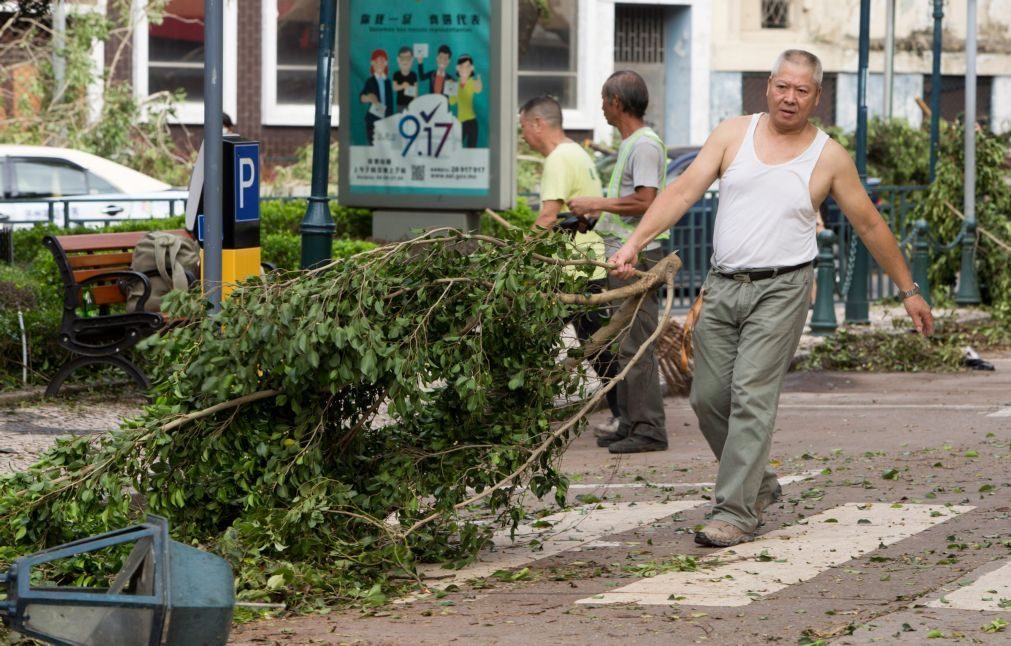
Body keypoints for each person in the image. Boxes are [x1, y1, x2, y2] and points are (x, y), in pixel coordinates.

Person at [609, 50, 934, 547]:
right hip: (722, 286)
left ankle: (735, 512)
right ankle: (758, 484)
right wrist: (635, 242)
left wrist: (909, 290)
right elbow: (680, 192)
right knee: (708, 397)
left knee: (752, 399)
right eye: (783, 86)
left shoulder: (828, 157)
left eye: (802, 90)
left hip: (783, 288)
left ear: (816, 97)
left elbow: (869, 223)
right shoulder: (732, 133)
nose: (790, 97)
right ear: (768, 87)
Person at [568, 70, 668, 454]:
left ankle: (649, 429)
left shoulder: (644, 145)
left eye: (603, 99)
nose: (601, 107)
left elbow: (645, 202)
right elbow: (629, 204)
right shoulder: (632, 144)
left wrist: (596, 203)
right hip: (623, 254)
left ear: (616, 102)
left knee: (636, 344)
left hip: (639, 257)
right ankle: (630, 423)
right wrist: (594, 218)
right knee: (624, 343)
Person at [518, 95, 622, 431]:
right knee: (595, 344)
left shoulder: (558, 159)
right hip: (586, 262)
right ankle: (626, 413)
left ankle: (520, 410)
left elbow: (548, 215)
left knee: (531, 337)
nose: (523, 136)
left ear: (538, 124)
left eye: (523, 127)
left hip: (571, 269)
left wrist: (514, 253)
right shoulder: (578, 152)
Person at [359, 49, 394, 145]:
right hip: (373, 120)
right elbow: (361, 97)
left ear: (386, 64)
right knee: (373, 146)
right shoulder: (370, 81)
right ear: (372, 64)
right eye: (377, 62)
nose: (379, 64)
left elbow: (390, 102)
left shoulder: (388, 82)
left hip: (386, 119)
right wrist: (369, 98)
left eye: (382, 62)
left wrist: (390, 119)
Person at [450, 54, 483, 148]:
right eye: (462, 67)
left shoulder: (473, 82)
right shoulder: (455, 85)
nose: (464, 69)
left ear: (471, 68)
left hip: (472, 121)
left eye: (467, 67)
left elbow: (479, 89)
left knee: (471, 150)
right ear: (458, 68)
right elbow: (452, 102)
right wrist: (451, 89)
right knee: (456, 149)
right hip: (460, 122)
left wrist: (479, 79)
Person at [392, 46, 418, 113]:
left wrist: (415, 103)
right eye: (402, 58)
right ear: (398, 59)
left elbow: (416, 91)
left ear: (412, 59)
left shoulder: (413, 75)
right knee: (401, 121)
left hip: (412, 104)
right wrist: (403, 86)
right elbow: (394, 87)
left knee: (411, 121)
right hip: (400, 104)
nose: (405, 61)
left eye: (408, 58)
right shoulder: (396, 74)